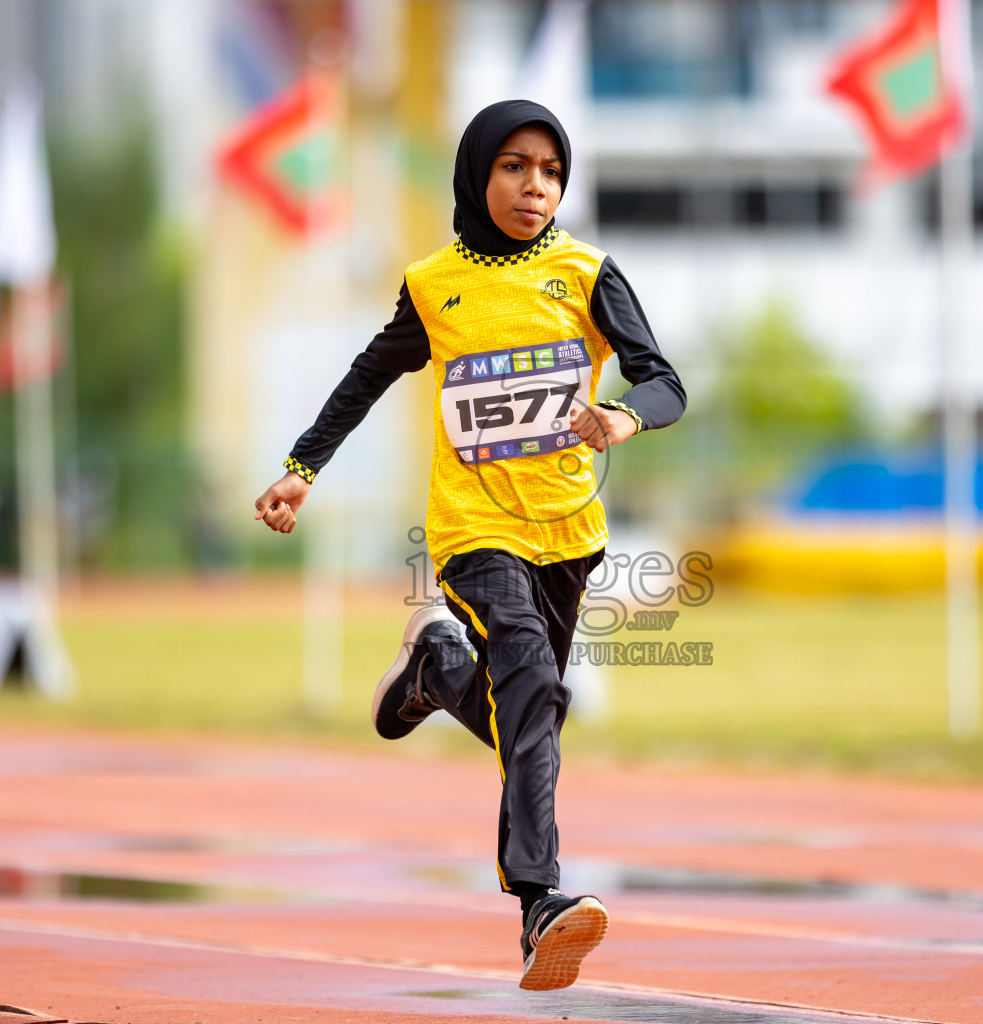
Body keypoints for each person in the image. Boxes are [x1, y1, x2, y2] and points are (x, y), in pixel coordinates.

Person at [253, 99, 685, 991]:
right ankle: (542, 903)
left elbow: (665, 380)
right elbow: (366, 375)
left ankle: (434, 672)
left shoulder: (588, 273)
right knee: (532, 684)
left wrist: (623, 415)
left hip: (567, 534)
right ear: (477, 173)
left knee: (528, 710)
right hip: (473, 530)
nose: (536, 186)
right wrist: (303, 467)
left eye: (552, 171)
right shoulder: (433, 283)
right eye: (515, 167)